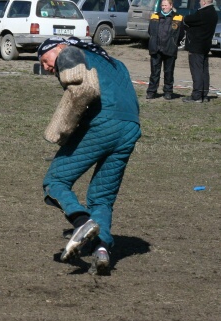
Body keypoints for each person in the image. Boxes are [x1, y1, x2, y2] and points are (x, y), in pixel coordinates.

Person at [37, 37, 141, 275]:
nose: (45, 67)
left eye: (45, 59)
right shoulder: (115, 63)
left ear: (59, 48)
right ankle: (101, 249)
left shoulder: (69, 53)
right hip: (130, 127)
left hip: (104, 124)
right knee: (102, 196)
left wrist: (60, 130)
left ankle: (82, 223)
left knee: (55, 181)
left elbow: (83, 91)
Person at [146, 0, 184, 100]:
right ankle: (151, 92)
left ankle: (168, 92)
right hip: (156, 49)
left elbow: (181, 34)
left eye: (166, 5)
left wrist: (173, 42)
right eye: (162, 5)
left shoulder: (178, 17)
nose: (163, 7)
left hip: (170, 49)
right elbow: (150, 31)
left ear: (171, 6)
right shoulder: (154, 16)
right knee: (154, 72)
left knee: (169, 72)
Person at [182, 0, 218, 103]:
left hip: (196, 46)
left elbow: (188, 19)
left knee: (197, 71)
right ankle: (204, 94)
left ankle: (197, 95)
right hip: (205, 46)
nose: (199, 2)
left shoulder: (203, 13)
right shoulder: (213, 13)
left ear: (205, 1)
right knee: (204, 71)